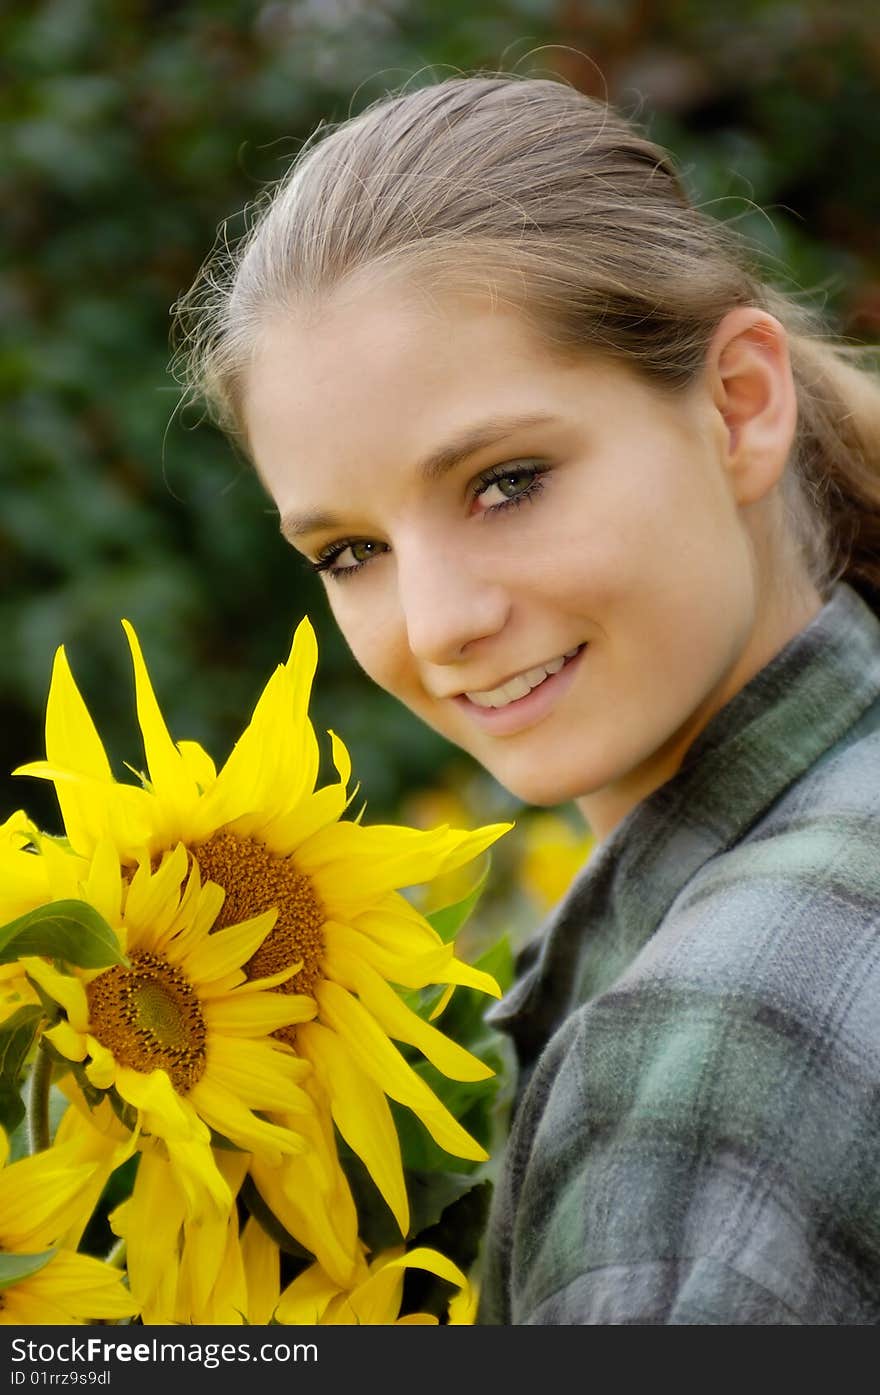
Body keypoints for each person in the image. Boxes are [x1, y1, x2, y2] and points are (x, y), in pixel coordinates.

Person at [173, 72, 880, 1324]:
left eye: (505, 482)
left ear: (738, 406)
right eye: (349, 552)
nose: (440, 625)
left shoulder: (715, 1042)